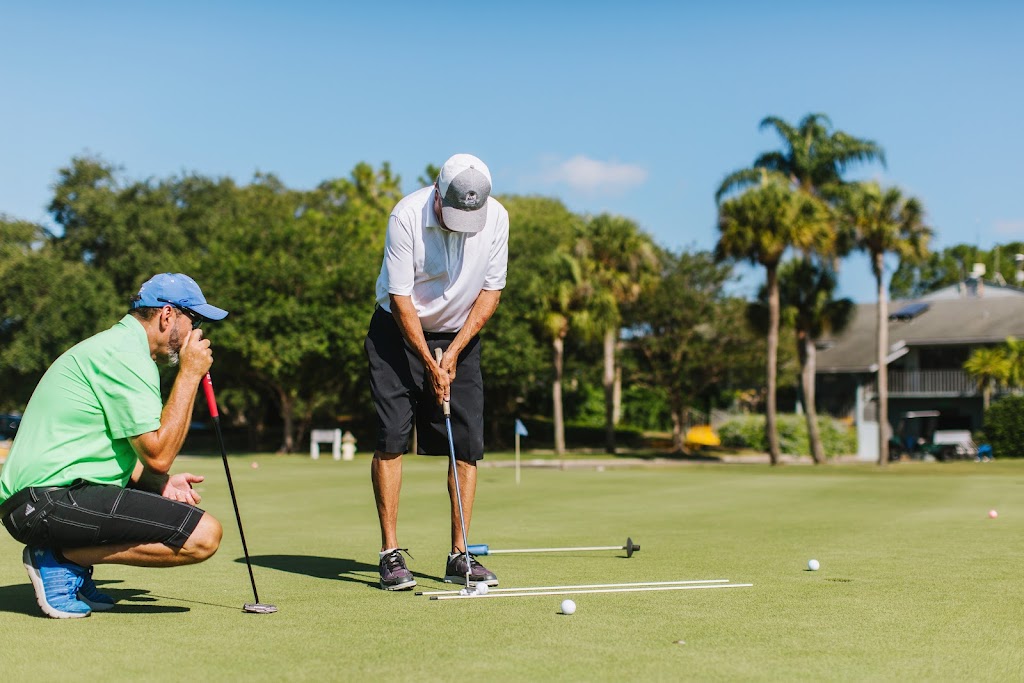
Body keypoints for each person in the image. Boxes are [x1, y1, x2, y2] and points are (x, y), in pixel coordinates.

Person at [0, 273, 228, 618]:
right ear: (168, 316)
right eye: (192, 319)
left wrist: (160, 484)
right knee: (204, 535)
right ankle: (60, 558)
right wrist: (190, 373)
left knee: (190, 523)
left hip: (43, 498)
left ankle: (69, 565)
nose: (196, 332)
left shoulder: (118, 348)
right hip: (42, 502)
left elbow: (117, 450)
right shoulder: (124, 356)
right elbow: (159, 454)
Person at [366, 153, 509, 591]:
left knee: (464, 446)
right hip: (397, 331)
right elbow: (402, 298)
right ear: (436, 191)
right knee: (391, 438)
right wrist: (430, 362)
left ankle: (459, 555)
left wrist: (454, 352)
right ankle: (390, 554)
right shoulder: (405, 216)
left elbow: (491, 290)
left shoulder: (497, 217)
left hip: (460, 334)